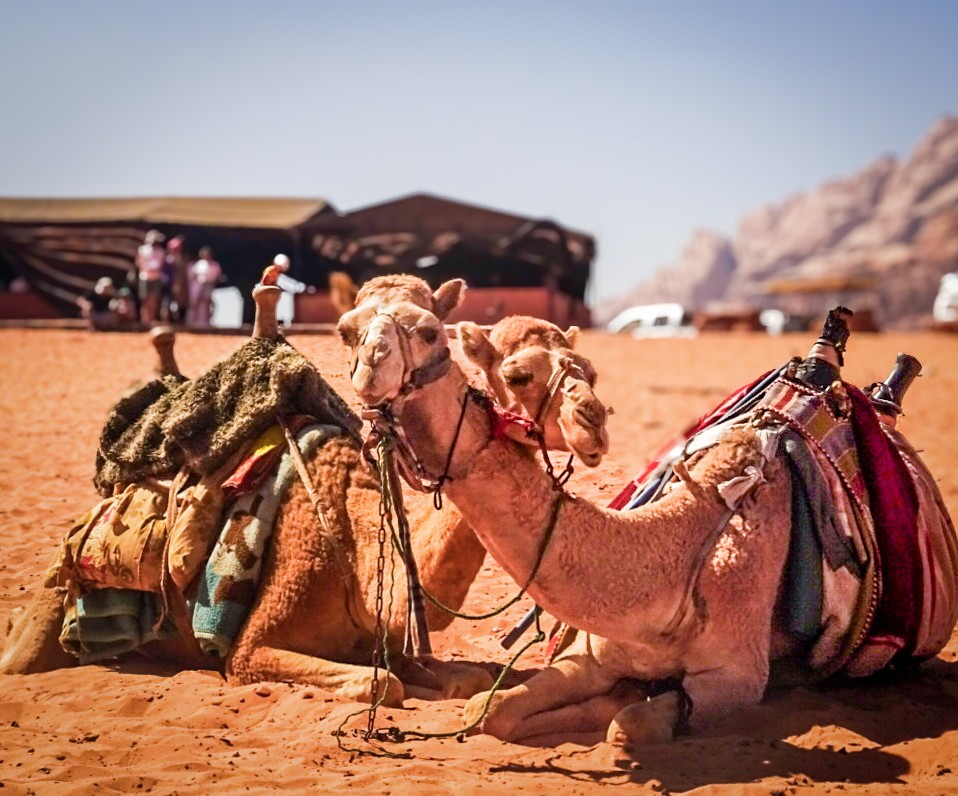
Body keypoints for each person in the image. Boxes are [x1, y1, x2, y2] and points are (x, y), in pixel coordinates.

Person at [136, 230, 166, 324]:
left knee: (154, 299)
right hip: (144, 277)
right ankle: (144, 320)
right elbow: (138, 262)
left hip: (156, 277)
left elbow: (161, 264)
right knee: (145, 299)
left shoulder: (161, 252)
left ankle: (152, 319)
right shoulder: (142, 250)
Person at [188, 246, 222, 326]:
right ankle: (191, 322)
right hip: (198, 286)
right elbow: (192, 275)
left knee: (206, 304)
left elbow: (217, 276)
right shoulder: (198, 264)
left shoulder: (215, 265)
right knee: (195, 303)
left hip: (209, 285)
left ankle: (206, 322)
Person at [270, 253, 307, 326]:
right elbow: (294, 287)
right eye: (285, 264)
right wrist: (303, 287)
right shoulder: (278, 277)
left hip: (283, 310)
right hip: (279, 309)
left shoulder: (279, 277)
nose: (287, 265)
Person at [166, 236, 191, 323]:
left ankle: (181, 321)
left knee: (182, 305)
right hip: (169, 286)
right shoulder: (168, 260)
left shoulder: (184, 259)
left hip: (182, 287)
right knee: (169, 304)